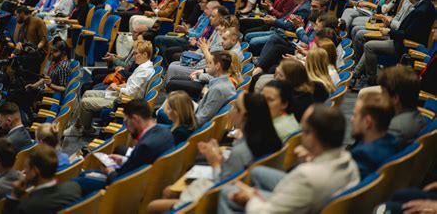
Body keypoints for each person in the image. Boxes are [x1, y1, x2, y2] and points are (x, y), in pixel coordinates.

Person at [148, 92, 282, 213]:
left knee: (153, 206)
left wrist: (215, 162)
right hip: (236, 189)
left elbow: (221, 188)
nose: (231, 111)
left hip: (215, 198)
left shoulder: (243, 150)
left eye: (235, 108)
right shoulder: (267, 138)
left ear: (244, 116)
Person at [219, 104, 359, 214]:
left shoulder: (306, 176)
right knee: (257, 172)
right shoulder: (349, 161)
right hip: (314, 195)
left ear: (312, 137)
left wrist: (250, 198)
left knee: (226, 193)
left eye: (303, 130)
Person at [74, 99, 175, 193]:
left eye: (126, 122)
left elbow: (123, 180)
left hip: (129, 189)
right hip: (150, 181)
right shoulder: (165, 132)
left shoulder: (145, 146)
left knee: (78, 181)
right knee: (85, 174)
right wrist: (122, 160)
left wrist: (110, 172)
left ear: (135, 119)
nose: (127, 127)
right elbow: (141, 164)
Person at [64, 40, 155, 136]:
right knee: (87, 93)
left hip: (123, 101)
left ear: (145, 54)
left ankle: (84, 129)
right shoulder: (144, 67)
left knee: (85, 102)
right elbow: (133, 85)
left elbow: (131, 92)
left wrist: (117, 88)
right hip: (122, 95)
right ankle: (77, 125)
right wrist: (120, 86)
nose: (134, 56)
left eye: (136, 54)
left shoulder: (144, 70)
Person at [358, 0, 435, 86]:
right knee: (366, 39)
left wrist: (389, 31)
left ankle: (371, 81)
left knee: (369, 46)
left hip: (406, 46)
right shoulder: (426, 5)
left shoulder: (420, 11)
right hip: (403, 38)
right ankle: (359, 73)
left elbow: (407, 34)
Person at [3, 145, 82, 213]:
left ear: (35, 171)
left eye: (26, 167)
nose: (24, 171)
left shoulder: (29, 206)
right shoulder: (74, 187)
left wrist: (14, 196)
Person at [245, 0, 310, 55]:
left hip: (285, 35)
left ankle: (261, 58)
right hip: (278, 30)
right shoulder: (299, 4)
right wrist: (274, 19)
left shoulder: (304, 9)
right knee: (248, 36)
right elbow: (285, 18)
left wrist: (274, 21)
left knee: (253, 42)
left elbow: (291, 26)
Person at [255, 59, 329, 121]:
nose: (276, 78)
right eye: (276, 74)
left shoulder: (295, 102)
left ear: (292, 79)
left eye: (280, 75)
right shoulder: (308, 87)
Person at [350, 91, 399, 179]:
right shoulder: (392, 141)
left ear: (367, 122)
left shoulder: (363, 155)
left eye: (355, 115)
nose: (352, 119)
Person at [155, 0, 220, 63]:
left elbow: (201, 38)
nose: (199, 4)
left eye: (207, 8)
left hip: (193, 43)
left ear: (214, 10)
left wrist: (187, 32)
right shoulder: (204, 16)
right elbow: (196, 30)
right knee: (168, 49)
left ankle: (165, 67)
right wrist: (187, 30)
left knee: (160, 40)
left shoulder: (211, 24)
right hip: (190, 40)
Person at [378, 66, 426, 146]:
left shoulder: (395, 129)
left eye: (383, 93)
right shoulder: (418, 118)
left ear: (395, 98)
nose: (380, 97)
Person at [193, 51, 237, 126]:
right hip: (198, 110)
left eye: (210, 63)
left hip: (193, 124)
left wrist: (183, 121)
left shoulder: (218, 89)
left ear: (217, 66)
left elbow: (202, 118)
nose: (207, 65)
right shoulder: (227, 82)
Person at [14, 6, 49, 76]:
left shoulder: (38, 22)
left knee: (25, 59)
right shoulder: (23, 25)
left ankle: (29, 81)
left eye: (16, 15)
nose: (16, 17)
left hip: (39, 51)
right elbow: (21, 41)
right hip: (28, 49)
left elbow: (43, 40)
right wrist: (18, 45)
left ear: (22, 14)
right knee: (13, 57)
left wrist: (35, 49)